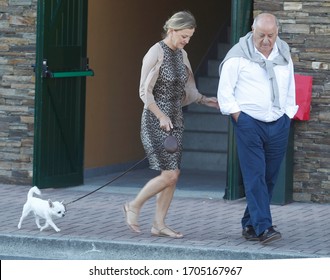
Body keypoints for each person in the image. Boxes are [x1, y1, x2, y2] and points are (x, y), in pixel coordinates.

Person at [123, 11, 219, 238]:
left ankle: (158, 224)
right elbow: (144, 92)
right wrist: (161, 116)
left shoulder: (182, 55)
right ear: (172, 30)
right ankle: (134, 205)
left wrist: (206, 101)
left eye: (190, 37)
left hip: (175, 120)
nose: (186, 41)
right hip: (155, 119)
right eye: (184, 36)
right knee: (170, 175)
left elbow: (188, 89)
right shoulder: (155, 52)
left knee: (173, 174)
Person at [217, 13, 298, 244]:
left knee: (269, 177)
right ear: (253, 31)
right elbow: (225, 92)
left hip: (279, 121)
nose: (266, 40)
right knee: (255, 176)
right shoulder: (237, 56)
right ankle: (264, 227)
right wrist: (239, 117)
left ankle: (250, 224)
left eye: (270, 35)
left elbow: (289, 85)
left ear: (277, 33)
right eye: (261, 35)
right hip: (249, 123)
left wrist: (288, 113)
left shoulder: (283, 53)